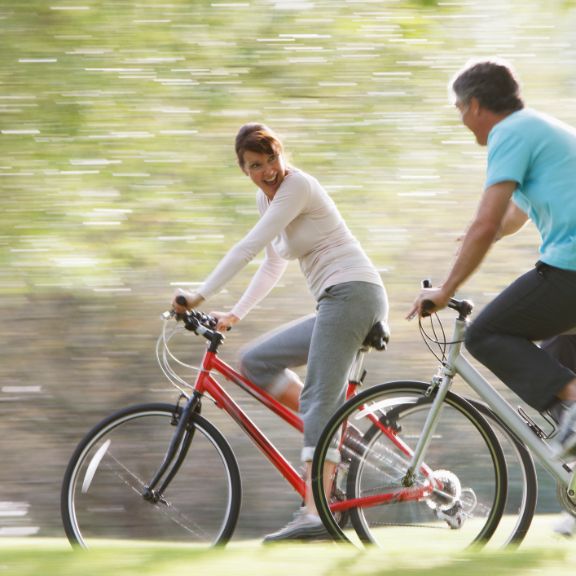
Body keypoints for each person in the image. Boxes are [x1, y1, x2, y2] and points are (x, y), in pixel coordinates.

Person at [172, 123, 388, 542]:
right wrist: (234, 312)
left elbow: (248, 248)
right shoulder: (264, 198)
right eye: (255, 165)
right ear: (244, 169)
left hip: (353, 294)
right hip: (335, 301)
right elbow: (272, 263)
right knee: (256, 361)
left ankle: (316, 515)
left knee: (317, 398)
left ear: (280, 155)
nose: (267, 170)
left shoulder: (297, 186)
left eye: (271, 159)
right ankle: (331, 431)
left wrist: (200, 293)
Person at [408, 59, 576, 459]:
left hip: (570, 266)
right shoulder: (538, 128)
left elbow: (487, 221)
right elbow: (509, 218)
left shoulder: (510, 132)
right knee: (554, 357)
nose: (463, 121)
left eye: (460, 110)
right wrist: (479, 235)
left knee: (486, 334)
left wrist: (447, 288)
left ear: (477, 105)